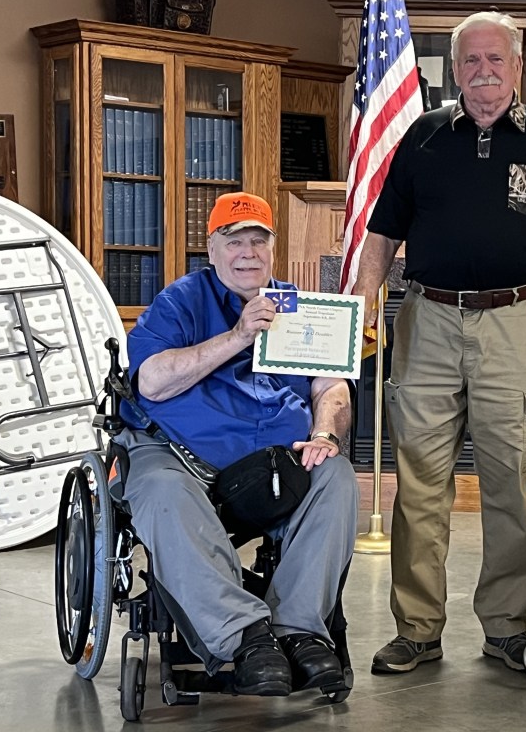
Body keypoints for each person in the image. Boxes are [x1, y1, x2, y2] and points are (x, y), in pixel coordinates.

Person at [352, 11, 526, 674]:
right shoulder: (423, 137)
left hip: (516, 321)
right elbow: (382, 234)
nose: (484, 71)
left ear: (518, 67)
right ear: (455, 71)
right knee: (419, 482)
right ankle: (417, 629)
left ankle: (507, 627)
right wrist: (363, 308)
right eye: (471, 60)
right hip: (427, 322)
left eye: (497, 59)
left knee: (510, 482)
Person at [114, 191, 359, 696]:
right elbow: (152, 382)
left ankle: (299, 629)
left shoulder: (301, 307)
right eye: (234, 241)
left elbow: (331, 385)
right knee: (160, 490)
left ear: (272, 247)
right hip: (180, 455)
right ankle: (244, 637)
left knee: (334, 474)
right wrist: (238, 337)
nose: (247, 253)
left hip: (274, 462)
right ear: (211, 249)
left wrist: (324, 432)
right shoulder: (179, 302)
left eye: (258, 241)